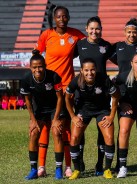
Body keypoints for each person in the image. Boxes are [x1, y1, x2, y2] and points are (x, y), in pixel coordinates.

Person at [34, 4, 85, 177]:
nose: (62, 19)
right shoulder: (46, 35)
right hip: (49, 88)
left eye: (65, 16)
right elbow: (36, 55)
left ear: (68, 18)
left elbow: (89, 44)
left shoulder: (75, 34)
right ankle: (41, 166)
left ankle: (68, 166)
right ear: (54, 18)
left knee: (66, 128)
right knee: (45, 127)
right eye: (59, 17)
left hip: (67, 89)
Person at [65, 58, 119, 179]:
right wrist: (73, 116)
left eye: (92, 70)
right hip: (83, 111)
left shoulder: (104, 79)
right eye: (87, 70)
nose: (90, 73)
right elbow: (67, 98)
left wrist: (111, 116)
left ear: (96, 70)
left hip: (102, 110)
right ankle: (77, 170)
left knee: (109, 137)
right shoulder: (76, 81)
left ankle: (107, 170)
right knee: (74, 138)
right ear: (82, 71)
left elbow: (115, 96)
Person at [110, 18, 137, 173]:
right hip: (124, 96)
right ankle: (120, 165)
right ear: (124, 32)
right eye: (129, 32)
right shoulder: (118, 47)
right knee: (123, 129)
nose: (132, 34)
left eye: (135, 31)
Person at [76, 16, 113, 175]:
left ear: (101, 30)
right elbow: (64, 56)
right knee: (80, 129)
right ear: (86, 29)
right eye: (92, 28)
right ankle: (80, 162)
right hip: (83, 94)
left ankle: (100, 164)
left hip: (101, 94)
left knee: (102, 130)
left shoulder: (106, 45)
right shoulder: (80, 45)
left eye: (97, 28)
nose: (94, 31)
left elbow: (123, 59)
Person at [21, 53, 64, 180]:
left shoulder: (54, 76)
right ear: (30, 68)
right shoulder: (26, 79)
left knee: (56, 132)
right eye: (34, 67)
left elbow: (60, 98)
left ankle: (58, 169)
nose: (37, 70)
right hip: (38, 109)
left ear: (45, 66)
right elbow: (28, 101)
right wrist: (33, 120)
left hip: (54, 108)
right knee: (34, 133)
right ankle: (34, 169)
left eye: (40, 66)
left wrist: (56, 119)